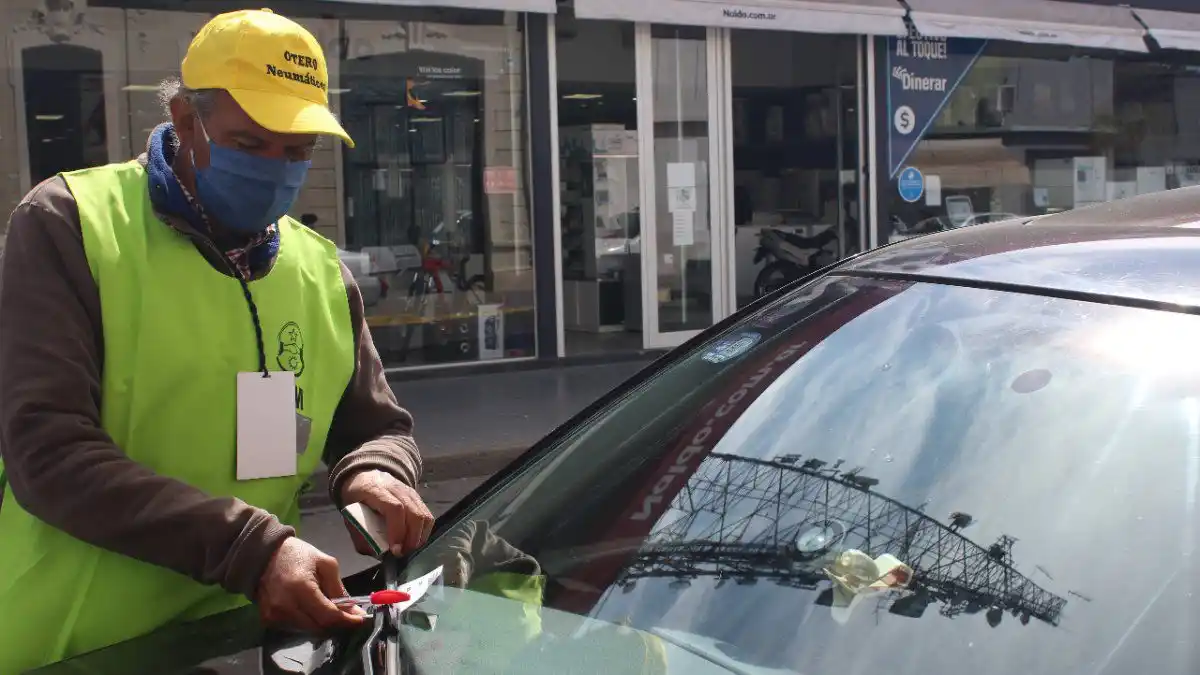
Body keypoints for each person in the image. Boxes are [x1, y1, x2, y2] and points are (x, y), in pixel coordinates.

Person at [0, 8, 434, 671]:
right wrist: (251, 550)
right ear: (184, 119)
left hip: (245, 642)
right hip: (80, 645)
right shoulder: (70, 225)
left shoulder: (320, 270)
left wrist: (376, 470)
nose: (275, 169)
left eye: (297, 150)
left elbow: (376, 426)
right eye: (250, 143)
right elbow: (48, 451)